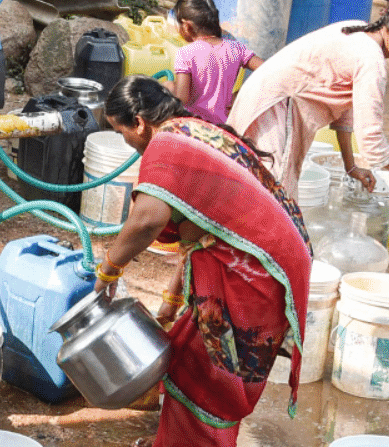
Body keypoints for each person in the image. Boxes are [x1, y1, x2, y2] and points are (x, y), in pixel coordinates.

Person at [94, 76, 311, 447]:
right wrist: (173, 301)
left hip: (256, 275)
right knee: (185, 351)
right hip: (268, 263)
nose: (126, 142)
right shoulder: (193, 131)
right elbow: (200, 234)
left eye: (120, 132)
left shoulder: (165, 147)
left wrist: (107, 272)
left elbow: (147, 221)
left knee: (207, 375)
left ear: (140, 123)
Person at [226, 2, 389, 202]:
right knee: (270, 197)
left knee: (249, 185)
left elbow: (346, 109)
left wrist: (351, 166)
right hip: (275, 109)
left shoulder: (359, 29)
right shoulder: (371, 62)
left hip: (264, 98)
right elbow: (371, 139)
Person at [171, 0, 264, 123]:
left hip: (192, 126)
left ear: (186, 26)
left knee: (167, 85)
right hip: (222, 126)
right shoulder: (237, 48)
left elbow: (181, 99)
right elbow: (267, 69)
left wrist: (167, 89)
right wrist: (239, 95)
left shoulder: (185, 53)